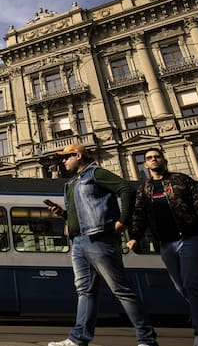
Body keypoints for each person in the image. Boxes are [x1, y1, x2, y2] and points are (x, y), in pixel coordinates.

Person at [47, 144, 159, 346]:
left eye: (66, 157)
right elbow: (83, 213)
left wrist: (122, 221)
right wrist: (63, 215)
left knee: (121, 289)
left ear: (78, 155)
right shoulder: (72, 182)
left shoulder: (95, 173)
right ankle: (78, 339)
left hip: (98, 240)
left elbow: (125, 189)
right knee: (85, 291)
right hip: (78, 241)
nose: (62, 161)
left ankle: (147, 340)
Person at [127, 148, 198, 346]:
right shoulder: (144, 189)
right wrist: (134, 236)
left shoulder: (182, 180)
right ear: (145, 165)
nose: (153, 160)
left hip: (189, 238)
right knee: (182, 287)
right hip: (166, 244)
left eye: (157, 156)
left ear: (163, 160)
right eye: (149, 158)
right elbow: (139, 215)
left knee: (191, 284)